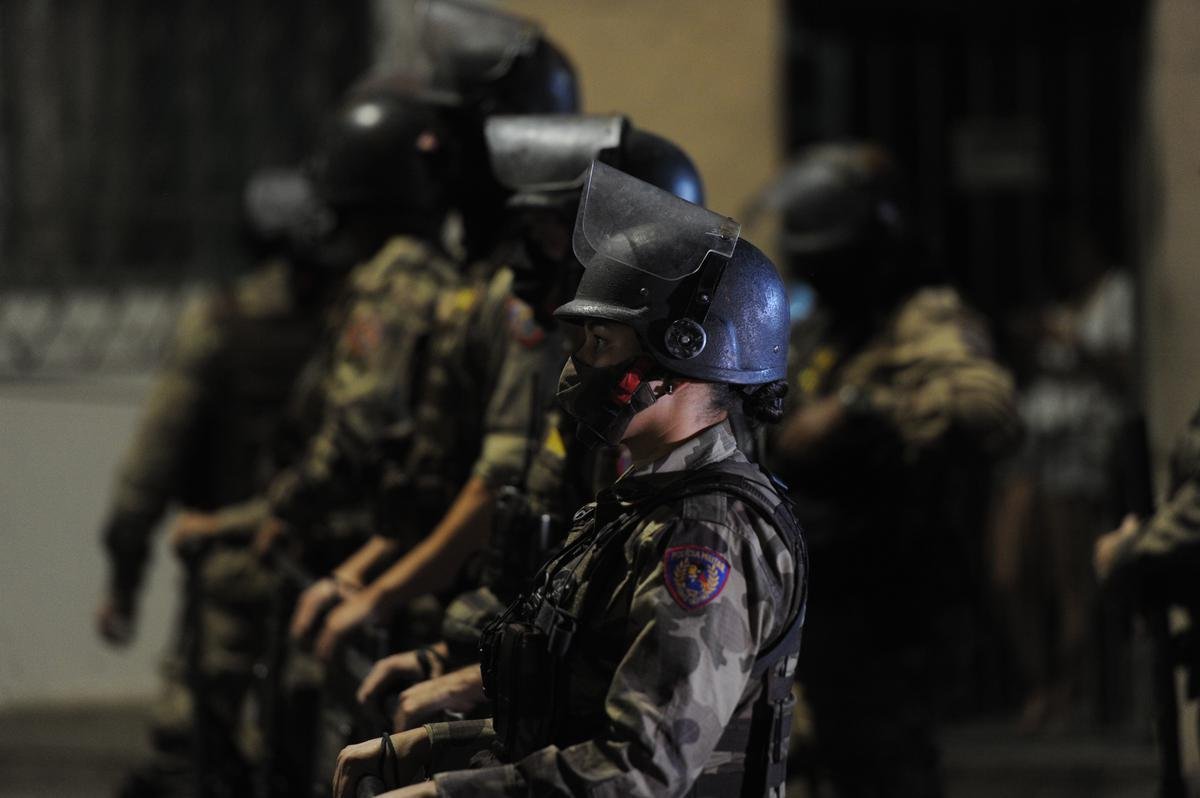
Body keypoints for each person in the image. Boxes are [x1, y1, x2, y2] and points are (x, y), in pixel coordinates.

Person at [330, 161, 808, 798]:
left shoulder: (704, 533)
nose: (577, 366)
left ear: (677, 356)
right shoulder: (643, 502)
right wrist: (425, 751)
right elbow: (570, 716)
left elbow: (638, 771)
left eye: (601, 344)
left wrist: (445, 793)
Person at [347, 114, 708, 730]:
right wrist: (454, 662)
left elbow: (633, 675)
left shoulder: (661, 427)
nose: (524, 260)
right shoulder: (593, 393)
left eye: (544, 236)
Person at [760, 142, 1020, 798]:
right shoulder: (825, 327)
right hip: (816, 610)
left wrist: (858, 408)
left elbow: (985, 407)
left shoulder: (922, 319)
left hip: (888, 614)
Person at [94, 166, 346, 797]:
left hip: (234, 575)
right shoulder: (363, 326)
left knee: (193, 758)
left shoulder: (220, 324)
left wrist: (123, 584)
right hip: (345, 576)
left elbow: (146, 476)